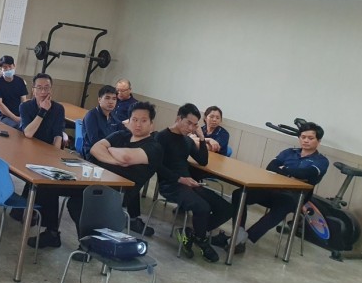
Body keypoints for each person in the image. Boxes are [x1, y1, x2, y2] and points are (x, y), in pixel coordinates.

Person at [213, 122, 329, 253]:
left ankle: (245, 238)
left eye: (310, 138)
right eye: (303, 137)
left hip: (295, 195)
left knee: (284, 205)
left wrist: (284, 169)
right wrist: (292, 174)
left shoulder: (321, 161)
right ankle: (239, 233)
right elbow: (271, 167)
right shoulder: (289, 152)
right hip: (272, 188)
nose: (306, 140)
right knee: (239, 194)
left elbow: (308, 173)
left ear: (318, 141)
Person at [155, 103, 232, 263]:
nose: (191, 128)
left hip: (189, 183)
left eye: (194, 125)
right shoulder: (162, 137)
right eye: (188, 123)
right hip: (170, 184)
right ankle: (202, 241)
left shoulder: (187, 140)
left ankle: (192, 234)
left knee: (226, 208)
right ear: (178, 119)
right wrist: (179, 179)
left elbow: (203, 160)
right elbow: (156, 165)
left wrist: (202, 138)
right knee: (203, 207)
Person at [88, 101, 163, 237]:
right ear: (129, 121)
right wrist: (115, 160)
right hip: (94, 181)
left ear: (151, 124)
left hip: (117, 194)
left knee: (79, 205)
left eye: (143, 120)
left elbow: (126, 158)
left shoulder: (154, 147)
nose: (138, 124)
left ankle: (89, 242)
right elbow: (95, 148)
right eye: (134, 120)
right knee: (52, 190)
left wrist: (109, 149)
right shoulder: (121, 135)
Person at [18, 73, 66, 248]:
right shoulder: (26, 107)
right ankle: (28, 210)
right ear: (33, 90)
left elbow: (57, 135)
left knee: (48, 182)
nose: (43, 91)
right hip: (27, 152)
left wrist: (54, 154)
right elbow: (28, 133)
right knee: (40, 181)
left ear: (51, 90)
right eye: (40, 88)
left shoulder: (58, 108)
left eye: (47, 88)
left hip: (48, 154)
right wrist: (42, 111)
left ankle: (51, 231)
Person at [81, 84, 123, 159]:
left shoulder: (113, 116)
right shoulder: (92, 115)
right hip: (93, 154)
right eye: (107, 98)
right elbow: (94, 141)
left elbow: (122, 133)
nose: (111, 102)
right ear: (99, 100)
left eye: (114, 99)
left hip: (110, 151)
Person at [0, 55, 28, 129]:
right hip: (3, 116)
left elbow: (23, 101)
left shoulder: (20, 81)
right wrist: (15, 118)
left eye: (10, 66)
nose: (8, 69)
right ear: (1, 69)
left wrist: (23, 116)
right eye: (5, 67)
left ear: (14, 66)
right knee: (16, 126)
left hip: (19, 115)